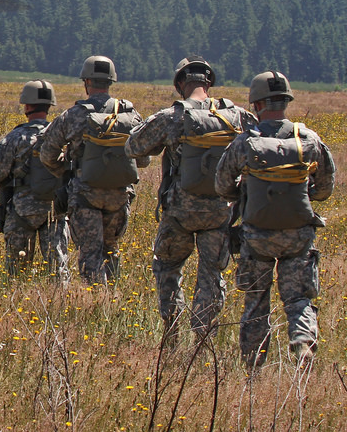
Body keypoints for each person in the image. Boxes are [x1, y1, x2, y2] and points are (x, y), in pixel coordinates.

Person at [126, 55, 255, 343]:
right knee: (211, 274)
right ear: (209, 82)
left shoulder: (172, 117)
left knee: (169, 268)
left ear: (181, 83)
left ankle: (171, 332)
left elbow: (133, 146)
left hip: (180, 213)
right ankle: (202, 339)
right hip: (221, 212)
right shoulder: (238, 116)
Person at [215, 71, 335, 369]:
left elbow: (221, 183)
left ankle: (254, 366)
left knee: (256, 302)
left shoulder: (245, 143)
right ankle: (303, 341)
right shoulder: (308, 139)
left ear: (256, 104)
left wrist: (242, 195)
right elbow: (325, 187)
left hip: (257, 235)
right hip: (298, 234)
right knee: (299, 298)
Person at [39, 55, 149, 284]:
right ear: (111, 82)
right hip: (120, 195)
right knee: (111, 249)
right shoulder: (129, 114)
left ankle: (96, 301)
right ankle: (114, 299)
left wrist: (68, 171)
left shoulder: (73, 115)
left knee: (90, 253)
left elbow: (47, 154)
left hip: (85, 194)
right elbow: (143, 159)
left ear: (86, 82)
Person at [0, 80, 69, 279]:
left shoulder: (15, 137)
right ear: (50, 106)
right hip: (55, 210)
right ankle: (62, 304)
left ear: (27, 106)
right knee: (58, 269)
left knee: (16, 272)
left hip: (22, 211)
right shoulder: (59, 138)